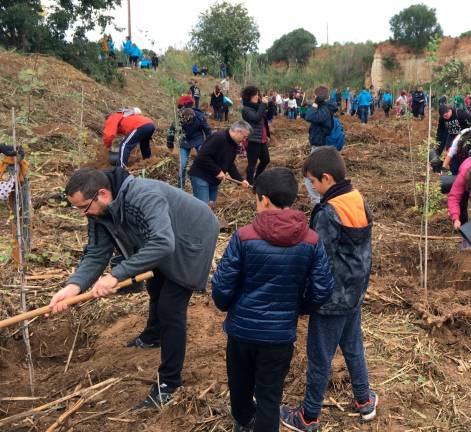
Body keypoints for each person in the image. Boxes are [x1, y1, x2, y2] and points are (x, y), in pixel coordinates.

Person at [48, 166, 220, 408]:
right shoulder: (97, 211)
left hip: (193, 235)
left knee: (171, 308)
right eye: (75, 208)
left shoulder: (143, 196)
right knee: (156, 285)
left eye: (82, 207)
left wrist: (116, 275)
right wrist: (73, 287)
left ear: (103, 194)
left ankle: (168, 384)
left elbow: (162, 243)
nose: (80, 213)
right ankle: (153, 336)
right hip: (163, 237)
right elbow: (97, 253)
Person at [212, 168, 334, 432]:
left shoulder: (244, 236)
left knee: (239, 384)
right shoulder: (311, 240)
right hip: (279, 336)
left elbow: (222, 285)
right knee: (269, 395)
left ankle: (243, 422)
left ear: (264, 199)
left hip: (242, 332)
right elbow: (323, 288)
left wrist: (227, 306)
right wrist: (300, 307)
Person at [281, 147, 377, 432]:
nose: (310, 186)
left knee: (320, 357)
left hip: (331, 298)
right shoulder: (358, 199)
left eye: (312, 181)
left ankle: (308, 416)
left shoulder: (327, 211)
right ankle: (364, 401)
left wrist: (304, 296)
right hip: (355, 292)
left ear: (326, 178)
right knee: (353, 347)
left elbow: (317, 257)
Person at [188, 121, 251, 207]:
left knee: (211, 205)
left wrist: (240, 181)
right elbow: (202, 156)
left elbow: (229, 163)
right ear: (238, 132)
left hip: (214, 180)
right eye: (244, 137)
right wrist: (217, 171)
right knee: (203, 207)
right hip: (201, 176)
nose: (244, 140)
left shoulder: (234, 144)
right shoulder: (218, 137)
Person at [167, 96, 212, 189]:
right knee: (182, 165)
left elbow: (207, 130)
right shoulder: (178, 117)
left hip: (198, 139)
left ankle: (206, 181)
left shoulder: (200, 116)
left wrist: (209, 144)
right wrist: (170, 143)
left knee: (205, 159)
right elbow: (171, 130)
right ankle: (180, 188)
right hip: (184, 141)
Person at [304, 86, 339, 204]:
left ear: (318, 97)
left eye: (315, 96)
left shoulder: (324, 109)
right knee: (324, 174)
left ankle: (317, 202)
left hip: (320, 147)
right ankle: (326, 199)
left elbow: (309, 116)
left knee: (308, 174)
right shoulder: (326, 107)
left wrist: (315, 104)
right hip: (321, 145)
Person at [240, 86, 271, 184]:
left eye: (257, 94)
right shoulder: (246, 109)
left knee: (266, 160)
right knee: (252, 163)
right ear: (249, 96)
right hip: (252, 139)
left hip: (261, 139)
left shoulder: (258, 106)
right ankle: (250, 183)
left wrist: (269, 105)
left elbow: (268, 116)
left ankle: (257, 178)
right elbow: (256, 118)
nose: (257, 96)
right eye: (255, 95)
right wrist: (262, 105)